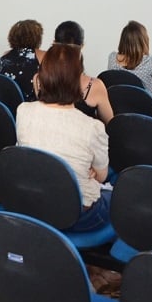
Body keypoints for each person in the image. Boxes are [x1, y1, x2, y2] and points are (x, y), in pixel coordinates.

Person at [17, 43, 111, 231]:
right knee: (116, 195)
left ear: (40, 77)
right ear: (78, 81)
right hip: (79, 214)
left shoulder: (23, 111)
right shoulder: (93, 127)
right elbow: (101, 177)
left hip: (35, 202)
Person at [53, 21, 114, 124]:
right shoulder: (95, 86)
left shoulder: (39, 80)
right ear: (82, 46)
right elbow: (112, 124)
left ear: (54, 43)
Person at [0, 19, 45, 102]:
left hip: (7, 105)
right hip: (30, 105)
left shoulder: (5, 55)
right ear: (37, 37)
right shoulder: (42, 55)